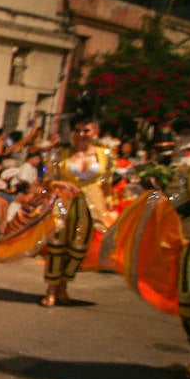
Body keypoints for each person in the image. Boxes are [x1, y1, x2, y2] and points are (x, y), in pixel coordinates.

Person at [38, 116, 114, 307]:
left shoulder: (105, 154)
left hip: (91, 207)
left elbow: (107, 183)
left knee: (78, 248)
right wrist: (60, 183)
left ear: (94, 131)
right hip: (64, 203)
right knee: (56, 245)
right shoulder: (60, 155)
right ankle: (51, 289)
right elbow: (47, 180)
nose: (81, 135)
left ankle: (64, 285)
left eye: (86, 130)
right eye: (78, 130)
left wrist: (110, 204)